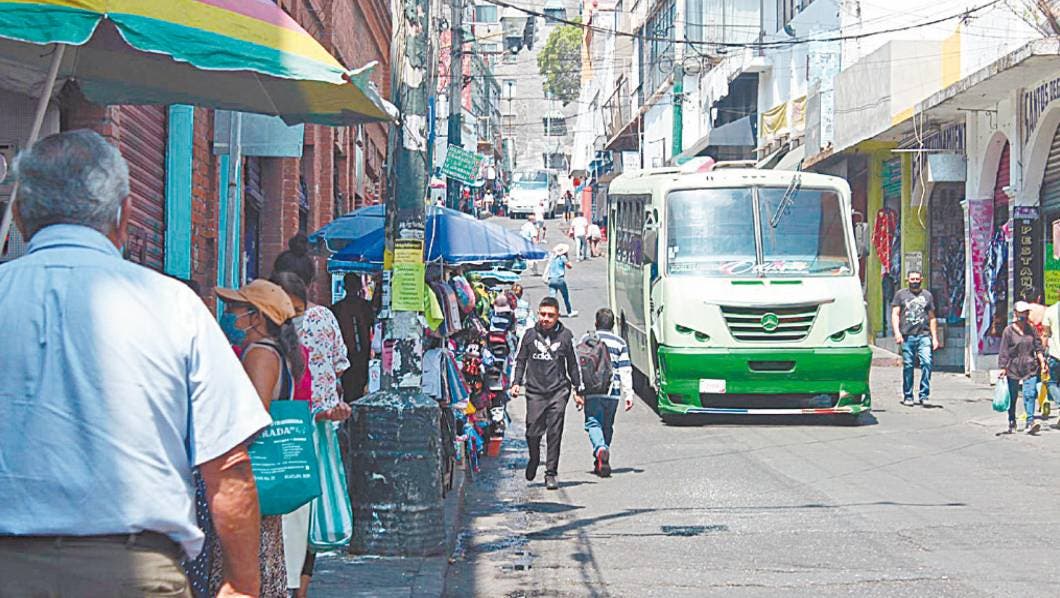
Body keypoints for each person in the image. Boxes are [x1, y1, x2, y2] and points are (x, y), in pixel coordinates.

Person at [0, 130, 270, 597]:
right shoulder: (174, 307)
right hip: (135, 573)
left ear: (19, 214)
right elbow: (228, 464)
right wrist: (243, 586)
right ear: (124, 215)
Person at [215, 279, 307, 597]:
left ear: (256, 316)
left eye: (235, 308)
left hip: (251, 476)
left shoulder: (261, 354)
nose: (228, 314)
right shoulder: (274, 352)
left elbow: (252, 420)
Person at [269, 272, 351, 598]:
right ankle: (298, 587)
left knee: (294, 515)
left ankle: (291, 585)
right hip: (317, 428)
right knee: (306, 513)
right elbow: (340, 365)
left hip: (290, 435)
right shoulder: (322, 319)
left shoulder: (274, 342)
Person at [511, 297, 585, 490]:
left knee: (554, 432)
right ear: (538, 314)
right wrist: (516, 383)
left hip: (558, 391)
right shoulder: (529, 335)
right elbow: (520, 360)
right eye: (543, 314)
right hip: (535, 392)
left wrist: (578, 389)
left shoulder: (566, 336)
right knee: (532, 432)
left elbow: (574, 365)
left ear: (557, 316)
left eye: (550, 315)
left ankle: (551, 473)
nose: (546, 318)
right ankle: (534, 458)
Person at [581, 308, 635, 478]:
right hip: (613, 391)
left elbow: (579, 365)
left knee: (593, 423)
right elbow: (625, 369)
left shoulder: (587, 339)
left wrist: (578, 388)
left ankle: (600, 450)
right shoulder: (620, 342)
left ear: (596, 323)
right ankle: (601, 458)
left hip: (592, 390)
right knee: (607, 425)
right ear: (613, 325)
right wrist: (629, 394)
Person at [891, 270, 939, 406]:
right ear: (907, 280)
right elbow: (895, 314)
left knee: (927, 363)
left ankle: (924, 395)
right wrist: (897, 333)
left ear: (921, 280)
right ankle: (908, 395)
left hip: (924, 335)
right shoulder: (901, 295)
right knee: (908, 365)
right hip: (907, 336)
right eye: (912, 279)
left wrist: (935, 338)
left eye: (917, 279)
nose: (915, 282)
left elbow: (932, 318)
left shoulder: (927, 295)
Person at [999, 301, 1046, 435]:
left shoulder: (1031, 330)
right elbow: (1004, 350)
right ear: (1015, 313)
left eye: (1025, 313)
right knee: (1013, 396)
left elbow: (1038, 347)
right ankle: (1012, 420)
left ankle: (1030, 421)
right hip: (1013, 367)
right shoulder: (1008, 331)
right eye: (1021, 313)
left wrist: (1042, 362)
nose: (1023, 316)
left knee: (1029, 394)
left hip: (1030, 366)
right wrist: (1003, 367)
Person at [332, 273, 375, 404]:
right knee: (358, 386)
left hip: (348, 354)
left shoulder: (337, 308)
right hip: (359, 354)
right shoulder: (365, 307)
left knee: (350, 388)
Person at [546, 243, 578, 317]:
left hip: (551, 278)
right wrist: (567, 258)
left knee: (552, 297)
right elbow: (570, 266)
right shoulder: (562, 257)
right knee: (565, 296)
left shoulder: (552, 257)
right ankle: (569, 311)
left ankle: (552, 312)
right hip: (559, 278)